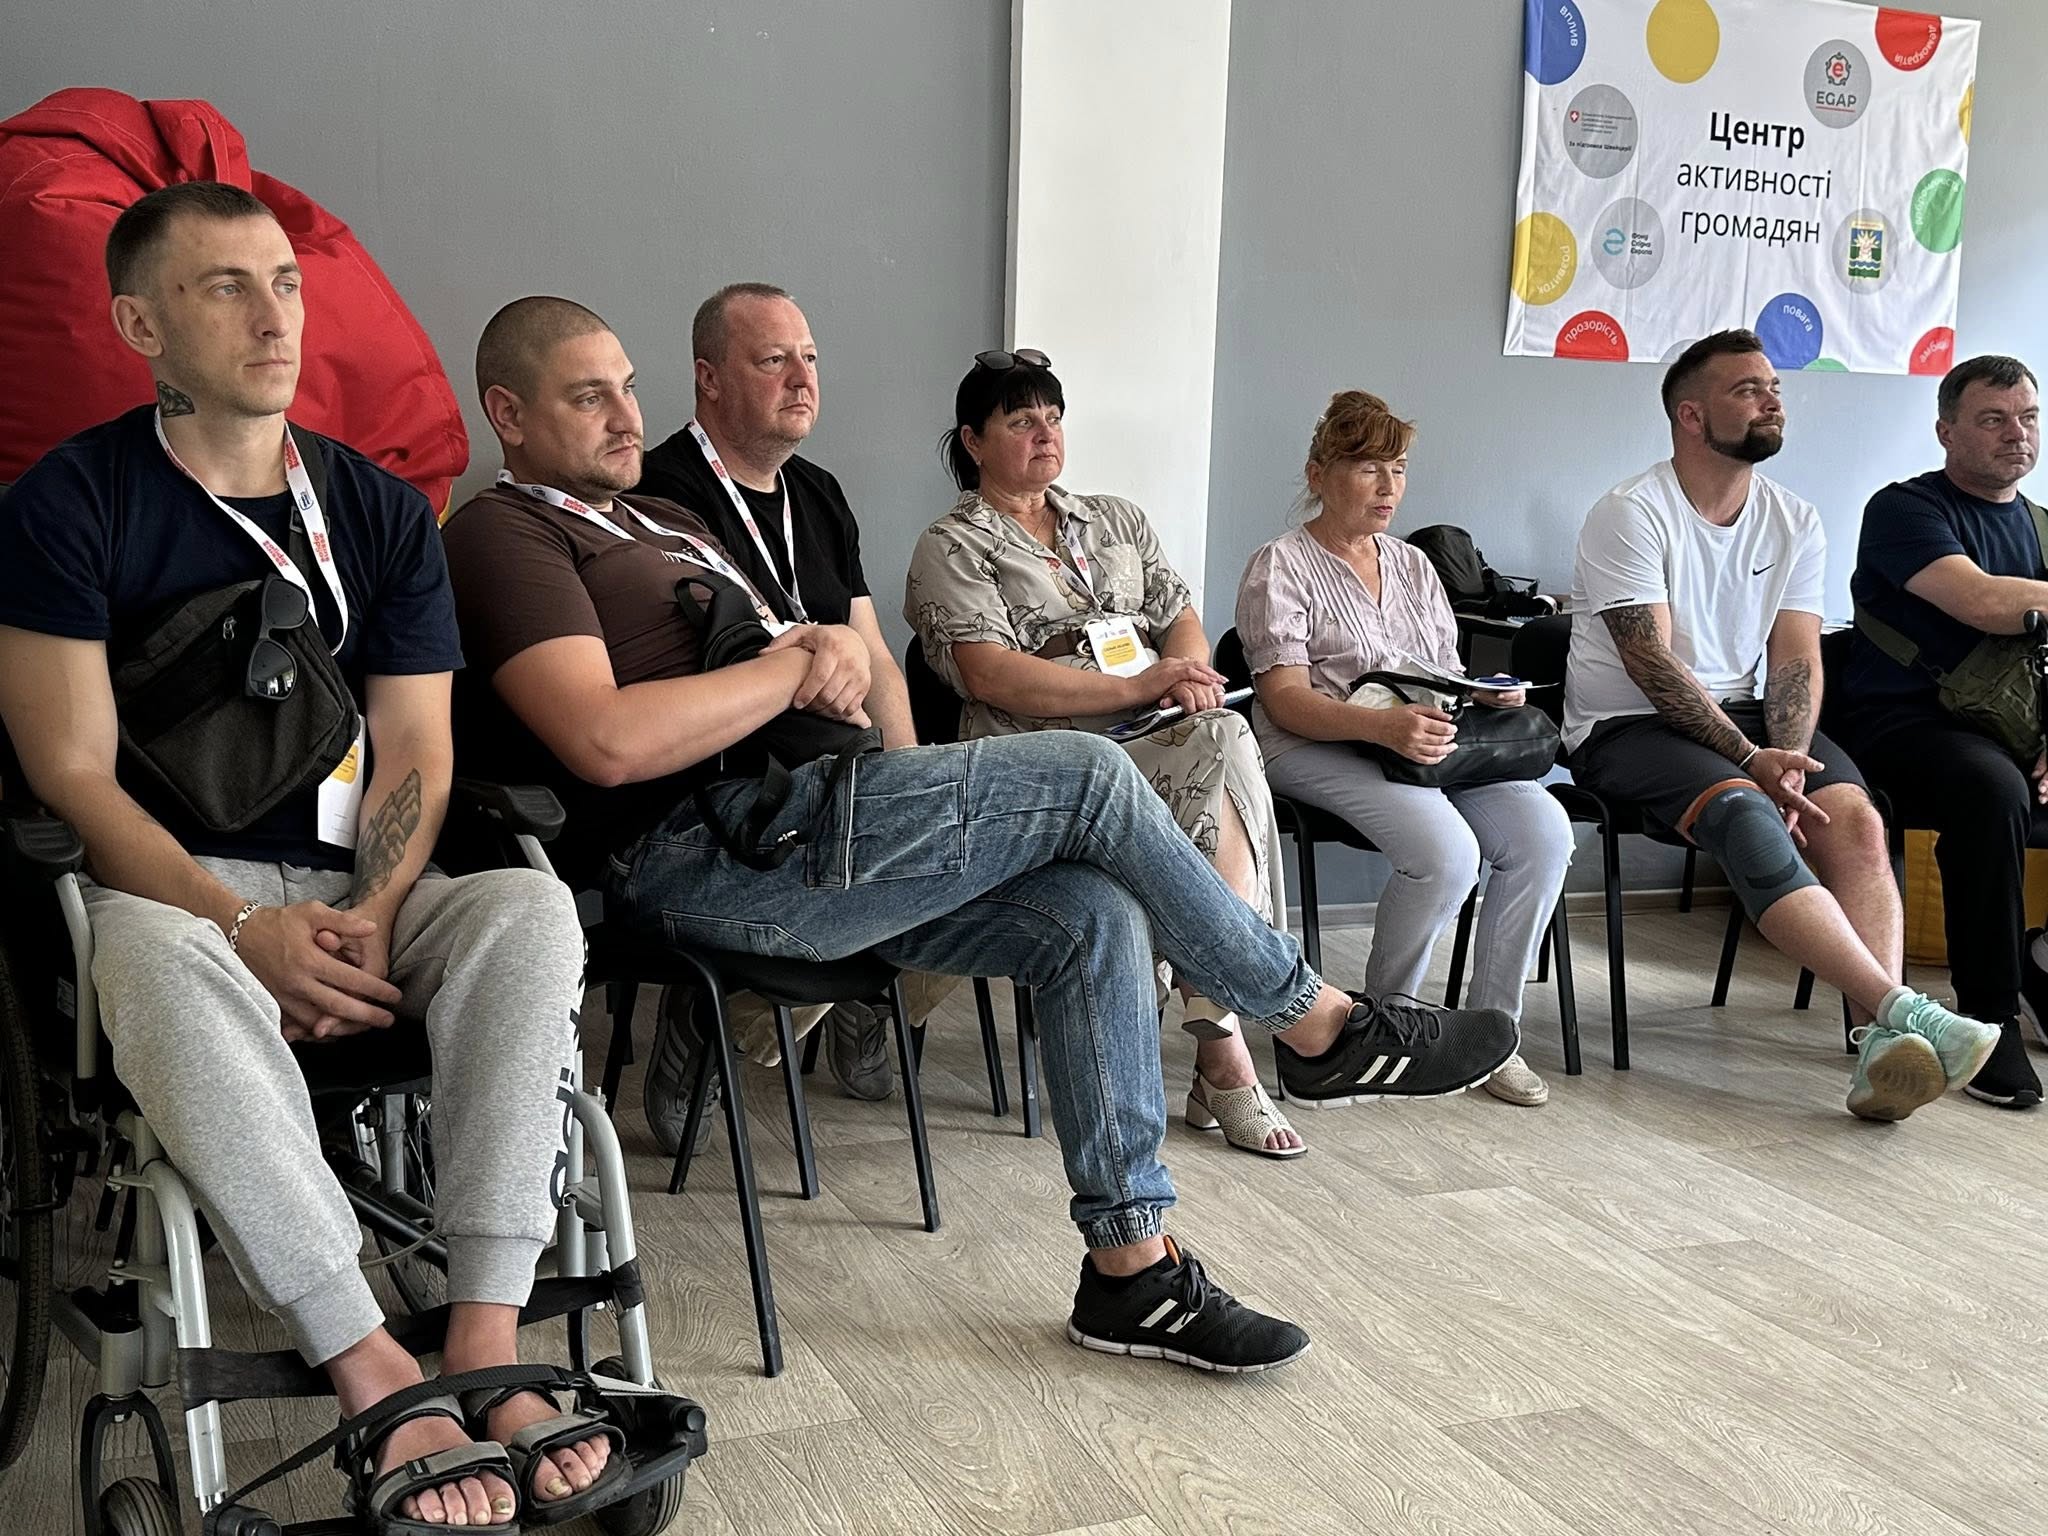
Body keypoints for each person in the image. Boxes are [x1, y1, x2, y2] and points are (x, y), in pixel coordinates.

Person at [441, 296, 1521, 1372]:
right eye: (589, 396)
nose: (626, 415)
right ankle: (1315, 1021)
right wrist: (798, 665)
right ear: (509, 414)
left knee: (1092, 914)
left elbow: (829, 653)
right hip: (702, 847)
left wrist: (827, 673)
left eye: (628, 388)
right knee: (1090, 775)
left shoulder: (661, 523)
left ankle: (1132, 1271)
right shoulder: (506, 533)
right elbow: (606, 741)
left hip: (817, 808)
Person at [0, 184, 609, 1530]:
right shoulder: (68, 506)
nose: (275, 315)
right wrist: (239, 928)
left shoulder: (377, 511)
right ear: (140, 325)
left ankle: (485, 1335)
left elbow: (418, 746)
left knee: (528, 909)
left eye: (284, 281)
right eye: (226, 287)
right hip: (175, 893)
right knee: (150, 963)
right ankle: (368, 1360)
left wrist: (375, 909)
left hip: (355, 882)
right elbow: (70, 771)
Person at [1564, 328, 1999, 1122]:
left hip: (1749, 721)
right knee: (1746, 812)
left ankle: (1878, 1046)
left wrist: (1789, 759)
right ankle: (1906, 1012)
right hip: (1627, 727)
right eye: (1748, 390)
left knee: (1856, 821)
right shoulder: (1629, 513)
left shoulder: (1794, 517)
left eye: (1774, 388)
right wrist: (1750, 759)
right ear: (1691, 416)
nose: (1773, 401)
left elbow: (1796, 657)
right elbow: (1651, 664)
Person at [905, 351, 1303, 1159]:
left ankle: (1213, 1018)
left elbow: (1179, 615)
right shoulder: (952, 544)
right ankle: (1224, 1050)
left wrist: (1181, 674)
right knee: (1214, 764)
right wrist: (1137, 684)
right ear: (973, 441)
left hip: (1149, 737)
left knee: (1225, 734)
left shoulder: (1114, 519)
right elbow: (989, 675)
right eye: (1022, 421)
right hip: (1037, 761)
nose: (1045, 435)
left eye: (1053, 418)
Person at [1236, 390, 1573, 1107]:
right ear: (1319, 474)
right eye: (1368, 468)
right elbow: (1284, 700)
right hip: (1312, 743)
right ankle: (1384, 1032)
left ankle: (1494, 1033)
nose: (1388, 486)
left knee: (1546, 834)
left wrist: (1482, 695)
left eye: (1398, 468)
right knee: (1447, 854)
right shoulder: (1281, 565)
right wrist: (1381, 728)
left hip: (1419, 743)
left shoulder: (1416, 566)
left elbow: (1440, 675)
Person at [636, 282, 922, 1115]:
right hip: (736, 780)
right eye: (773, 360)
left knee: (968, 839)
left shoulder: (820, 493)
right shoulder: (658, 493)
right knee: (915, 848)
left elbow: (873, 651)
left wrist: (914, 775)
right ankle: (732, 1011)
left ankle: (768, 1010)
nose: (802, 379)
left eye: (810, 358)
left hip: (848, 764)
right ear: (708, 378)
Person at [1840, 355, 2047, 1108]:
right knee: (1990, 789)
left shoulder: (2043, 529)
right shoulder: (1904, 510)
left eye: (2028, 418)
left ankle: (2039, 961)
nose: (2016, 434)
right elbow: (1983, 601)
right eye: (1993, 419)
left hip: (2014, 729)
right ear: (1946, 431)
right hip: (1903, 725)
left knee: (2005, 776)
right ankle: (1989, 1017)